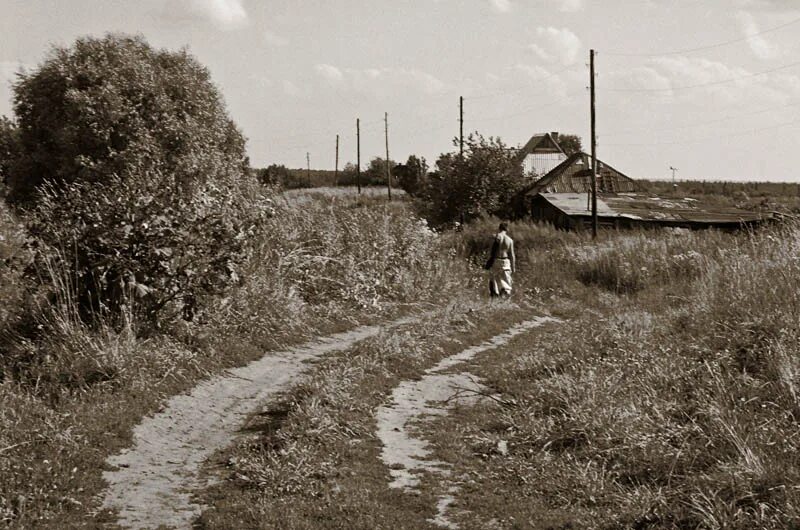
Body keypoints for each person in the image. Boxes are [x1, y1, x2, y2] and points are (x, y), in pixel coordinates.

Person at [485, 222, 515, 298]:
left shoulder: (496, 237)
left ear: (499, 228)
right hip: (506, 261)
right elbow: (512, 255)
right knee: (506, 282)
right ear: (507, 229)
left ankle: (495, 297)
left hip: (496, 260)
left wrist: (488, 261)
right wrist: (513, 267)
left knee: (494, 280)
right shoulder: (510, 240)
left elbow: (491, 250)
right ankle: (505, 298)